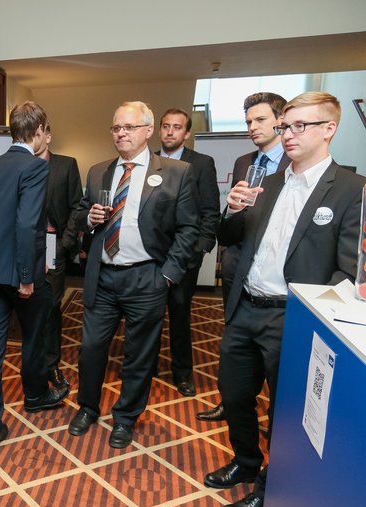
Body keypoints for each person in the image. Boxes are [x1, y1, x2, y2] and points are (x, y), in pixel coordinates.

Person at [204, 92, 364, 507]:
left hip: (292, 316)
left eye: (299, 126)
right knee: (234, 393)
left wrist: (313, 319)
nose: (288, 134)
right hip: (245, 306)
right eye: (284, 127)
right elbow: (230, 237)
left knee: (285, 409)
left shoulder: (352, 189)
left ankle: (269, 485)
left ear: (329, 129)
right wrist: (232, 210)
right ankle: (245, 460)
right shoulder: (270, 182)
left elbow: (348, 270)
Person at [67, 101, 198, 448]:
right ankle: (87, 407)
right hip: (103, 276)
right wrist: (88, 219)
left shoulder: (176, 172)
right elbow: (79, 214)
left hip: (147, 277)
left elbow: (188, 229)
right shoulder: (98, 171)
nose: (121, 133)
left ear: (148, 130)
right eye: (116, 127)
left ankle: (125, 417)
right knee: (91, 349)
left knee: (139, 355)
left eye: (129, 127)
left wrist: (168, 274)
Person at [0, 101, 68, 456]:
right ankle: (35, 395)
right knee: (33, 336)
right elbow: (28, 225)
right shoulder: (36, 166)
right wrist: (27, 277)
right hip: (20, 274)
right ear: (39, 130)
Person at [197, 92, 290, 423]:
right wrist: (232, 211)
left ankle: (277, 421)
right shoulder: (244, 162)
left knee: (276, 360)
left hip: (278, 284)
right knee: (236, 352)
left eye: (260, 119)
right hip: (238, 271)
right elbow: (231, 228)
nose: (252, 126)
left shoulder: (295, 163)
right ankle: (233, 403)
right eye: (248, 121)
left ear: (281, 121)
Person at [155, 108, 219, 396]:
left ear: (187, 133)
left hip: (186, 255)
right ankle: (147, 365)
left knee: (179, 314)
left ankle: (182, 372)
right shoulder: (148, 160)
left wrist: (200, 249)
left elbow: (210, 209)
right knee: (149, 314)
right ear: (159, 130)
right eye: (166, 126)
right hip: (152, 254)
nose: (170, 131)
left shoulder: (202, 163)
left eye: (177, 127)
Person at [37, 124, 82, 389]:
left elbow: (78, 206)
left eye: (37, 135)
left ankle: (51, 365)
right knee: (28, 305)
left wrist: (64, 244)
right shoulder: (19, 165)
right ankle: (32, 361)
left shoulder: (65, 165)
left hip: (53, 242)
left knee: (51, 306)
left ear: (48, 136)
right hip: (25, 245)